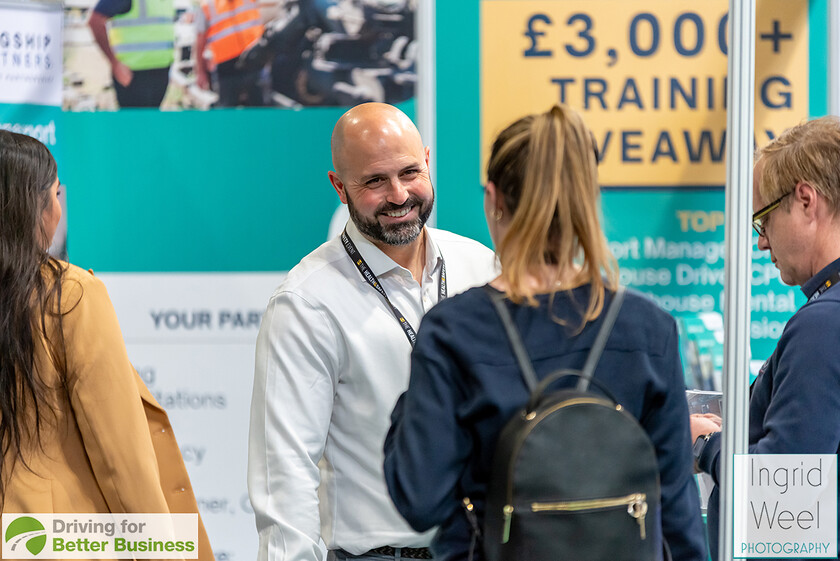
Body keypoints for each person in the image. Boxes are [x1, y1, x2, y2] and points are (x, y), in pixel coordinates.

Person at [382, 104, 708, 561]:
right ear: (586, 200)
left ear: (493, 199)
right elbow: (677, 516)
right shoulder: (648, 329)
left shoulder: (455, 332)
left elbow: (420, 500)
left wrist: (410, 406)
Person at [248, 102, 497, 561]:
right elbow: (284, 474)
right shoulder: (307, 302)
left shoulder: (481, 267)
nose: (399, 195)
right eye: (375, 181)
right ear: (339, 187)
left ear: (427, 160)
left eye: (409, 172)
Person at [0, 130, 213, 560]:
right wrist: (163, 552)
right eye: (56, 193)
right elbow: (120, 453)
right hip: (49, 540)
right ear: (37, 205)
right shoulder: (70, 294)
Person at [691, 116, 840, 561]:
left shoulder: (822, 326)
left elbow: (785, 500)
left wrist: (704, 444)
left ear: (805, 200)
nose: (760, 242)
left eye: (764, 219)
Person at [88, 0, 175, 108]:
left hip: (160, 72)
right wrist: (115, 63)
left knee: (150, 122)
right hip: (133, 75)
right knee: (134, 123)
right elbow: (95, 21)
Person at [194, 0, 265, 107]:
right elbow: (200, 40)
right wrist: (200, 72)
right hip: (226, 68)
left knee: (259, 108)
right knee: (227, 109)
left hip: (253, 62)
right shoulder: (207, 6)